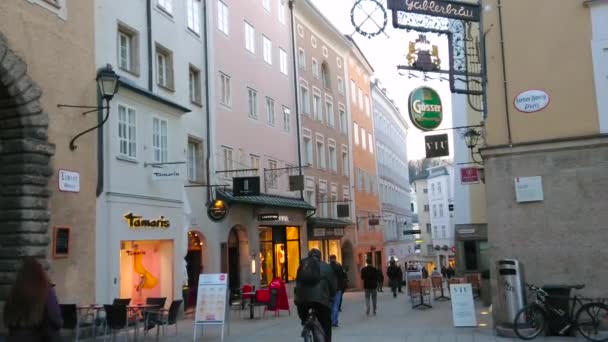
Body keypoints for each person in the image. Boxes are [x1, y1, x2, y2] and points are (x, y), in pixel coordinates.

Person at [4, 257, 63, 341]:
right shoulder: (45, 290)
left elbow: (6, 317)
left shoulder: (14, 291)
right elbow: (56, 320)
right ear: (41, 272)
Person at [295, 249, 337, 342]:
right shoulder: (326, 267)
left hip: (302, 299)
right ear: (320, 256)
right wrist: (332, 296)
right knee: (326, 323)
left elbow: (297, 282)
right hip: (320, 300)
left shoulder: (303, 265)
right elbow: (333, 285)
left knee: (304, 314)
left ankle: (305, 322)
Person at [328, 255, 347, 327]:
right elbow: (343, 277)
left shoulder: (328, 267)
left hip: (329, 289)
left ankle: (329, 320)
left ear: (330, 259)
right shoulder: (339, 267)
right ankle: (334, 321)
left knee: (330, 305)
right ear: (335, 259)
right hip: (338, 288)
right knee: (336, 305)